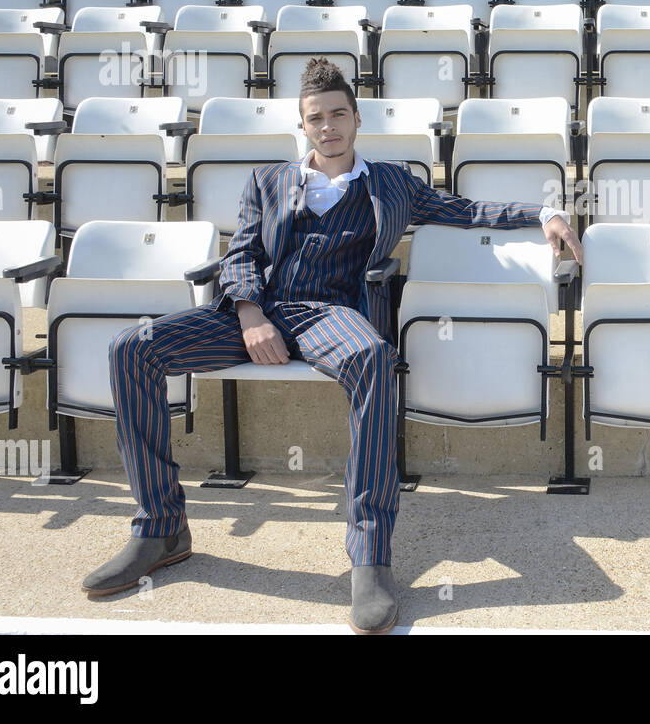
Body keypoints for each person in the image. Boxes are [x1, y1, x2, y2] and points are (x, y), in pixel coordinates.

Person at [82, 57, 583, 634]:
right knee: (131, 347)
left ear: (356, 118)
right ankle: (160, 529)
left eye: (338, 114)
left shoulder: (390, 183)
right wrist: (249, 315)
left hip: (333, 316)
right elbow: (241, 254)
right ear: (304, 126)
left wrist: (544, 212)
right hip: (260, 312)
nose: (328, 127)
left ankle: (370, 554)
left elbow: (464, 210)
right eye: (316, 118)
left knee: (372, 357)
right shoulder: (267, 181)